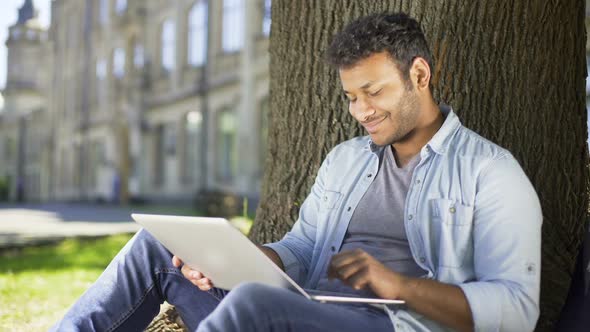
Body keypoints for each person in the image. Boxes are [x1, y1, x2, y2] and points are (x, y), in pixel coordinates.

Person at [51, 12, 542, 332]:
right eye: (351, 97)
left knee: (254, 310)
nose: (361, 110)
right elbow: (304, 248)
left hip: (390, 325)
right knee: (160, 248)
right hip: (304, 311)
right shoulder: (347, 160)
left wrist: (400, 286)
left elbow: (518, 309)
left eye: (374, 91)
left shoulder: (490, 172)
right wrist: (237, 258)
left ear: (419, 74)